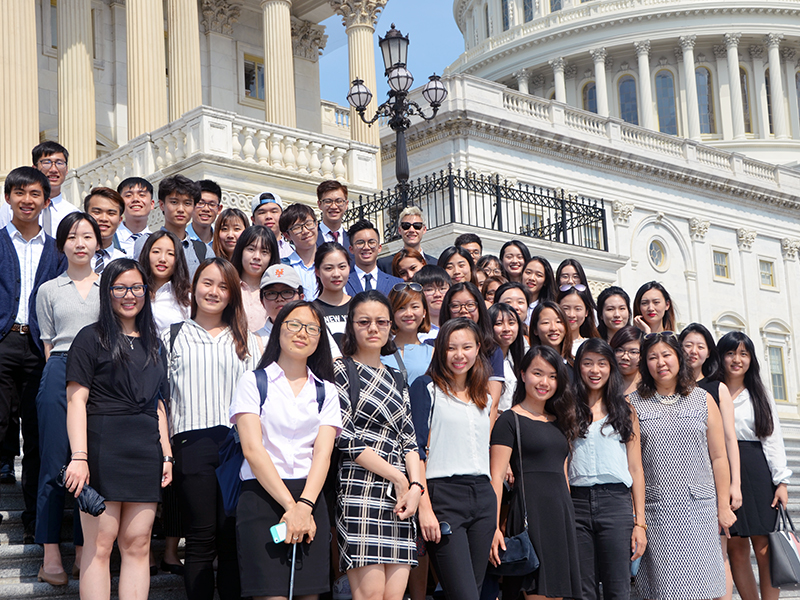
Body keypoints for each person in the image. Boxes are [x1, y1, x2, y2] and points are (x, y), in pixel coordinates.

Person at [64, 258, 172, 600]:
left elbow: (158, 403)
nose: (130, 295)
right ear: (106, 292)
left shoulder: (156, 343)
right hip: (102, 446)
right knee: (100, 545)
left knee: (138, 544)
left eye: (137, 287)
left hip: (146, 449)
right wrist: (79, 457)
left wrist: (167, 454)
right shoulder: (89, 338)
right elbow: (76, 401)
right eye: (120, 287)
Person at [164, 257, 261, 600]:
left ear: (233, 294)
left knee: (232, 535)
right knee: (201, 537)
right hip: (192, 444)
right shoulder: (172, 336)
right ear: (192, 288)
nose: (214, 292)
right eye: (207, 283)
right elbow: (161, 400)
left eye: (223, 286)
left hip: (238, 446)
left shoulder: (249, 340)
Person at [231, 300, 341, 599]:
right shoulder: (253, 382)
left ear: (320, 338)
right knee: (271, 593)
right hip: (262, 496)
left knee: (309, 594)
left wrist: (304, 506)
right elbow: (253, 449)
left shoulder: (326, 390)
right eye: (293, 324)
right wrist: (291, 507)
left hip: (310, 496)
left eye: (311, 328)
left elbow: (323, 454)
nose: (301, 333)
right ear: (279, 329)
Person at [628, 331, 736, 600]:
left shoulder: (702, 399)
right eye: (652, 357)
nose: (660, 362)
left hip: (699, 508)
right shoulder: (633, 404)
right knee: (665, 589)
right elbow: (635, 466)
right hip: (658, 511)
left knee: (704, 586)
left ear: (679, 358)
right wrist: (638, 519)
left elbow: (719, 457)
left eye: (666, 355)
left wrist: (723, 505)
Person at [335, 291, 424, 600]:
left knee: (395, 595)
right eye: (364, 321)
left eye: (381, 322)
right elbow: (345, 438)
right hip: (360, 490)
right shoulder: (340, 372)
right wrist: (399, 479)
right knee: (371, 596)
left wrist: (415, 487)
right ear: (352, 326)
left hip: (400, 499)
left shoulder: (397, 378)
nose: (373, 328)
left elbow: (409, 439)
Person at [34, 212, 102, 585]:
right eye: (72, 236)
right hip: (59, 368)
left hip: (100, 374)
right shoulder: (48, 290)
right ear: (61, 244)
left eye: (87, 236)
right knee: (53, 460)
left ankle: (82, 550)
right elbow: (48, 342)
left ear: (98, 243)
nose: (80, 243)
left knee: (89, 463)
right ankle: (50, 554)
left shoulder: (108, 285)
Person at [0, 167, 66, 544]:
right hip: (3, 340)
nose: (27, 200)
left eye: (35, 194)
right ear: (8, 197)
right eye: (20, 192)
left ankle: (34, 517)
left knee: (38, 435)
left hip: (42, 348)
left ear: (45, 201)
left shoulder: (56, 250)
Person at [409, 319, 496, 600]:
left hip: (483, 498)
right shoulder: (426, 388)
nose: (460, 355)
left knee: (474, 591)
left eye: (467, 347)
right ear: (440, 351)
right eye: (451, 348)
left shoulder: (485, 396)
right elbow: (416, 450)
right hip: (443, 495)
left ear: (478, 348)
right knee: (464, 595)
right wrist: (425, 509)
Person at [489, 345, 582, 600]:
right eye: (538, 373)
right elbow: (496, 477)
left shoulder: (560, 420)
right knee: (535, 592)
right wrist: (494, 527)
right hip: (530, 513)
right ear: (522, 374)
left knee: (557, 592)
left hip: (560, 515)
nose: (545, 382)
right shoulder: (509, 420)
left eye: (553, 376)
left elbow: (563, 475)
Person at [570, 338, 647, 600]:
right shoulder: (568, 410)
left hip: (616, 503)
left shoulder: (625, 411)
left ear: (611, 368)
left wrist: (640, 523)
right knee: (583, 590)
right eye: (588, 363)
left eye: (602, 364)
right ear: (578, 367)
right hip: (576, 504)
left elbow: (636, 469)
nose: (595, 370)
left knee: (618, 588)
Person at [717, 332, 791, 600]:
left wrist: (781, 481)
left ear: (751, 359)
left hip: (757, 469)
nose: (737, 360)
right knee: (736, 547)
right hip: (724, 468)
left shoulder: (759, 394)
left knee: (764, 546)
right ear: (721, 356)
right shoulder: (712, 390)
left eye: (743, 354)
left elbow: (773, 438)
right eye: (730, 353)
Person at [680, 323, 742, 600]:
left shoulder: (717, 389)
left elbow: (730, 440)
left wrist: (734, 485)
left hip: (713, 480)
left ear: (708, 353)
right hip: (682, 481)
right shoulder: (671, 389)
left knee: (718, 554)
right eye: (688, 345)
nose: (693, 351)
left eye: (700, 346)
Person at [439, 283, 503, 414]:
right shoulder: (434, 346)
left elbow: (492, 404)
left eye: (470, 305)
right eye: (456, 306)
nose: (463, 310)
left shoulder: (492, 350)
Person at [134, 175, 207, 278]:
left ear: (194, 207)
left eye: (187, 203)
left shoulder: (204, 251)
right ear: (162, 205)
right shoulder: (145, 243)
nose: (181, 209)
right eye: (174, 202)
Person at [0, 142, 79, 235]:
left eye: (59, 163)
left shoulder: (72, 213)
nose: (53, 169)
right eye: (46, 162)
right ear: (35, 168)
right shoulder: (11, 208)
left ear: (66, 170)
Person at [139, 230, 192, 333]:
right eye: (156, 252)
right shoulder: (134, 293)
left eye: (170, 254)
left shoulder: (187, 299)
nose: (162, 259)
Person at [382, 282, 433, 385]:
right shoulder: (380, 351)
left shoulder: (433, 354)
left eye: (414, 307)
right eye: (401, 308)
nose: (409, 313)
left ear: (424, 312)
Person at [231, 225, 279, 332]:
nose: (257, 256)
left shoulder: (276, 294)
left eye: (264, 252)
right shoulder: (227, 286)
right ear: (240, 251)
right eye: (251, 249)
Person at [346, 219, 403, 297]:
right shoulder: (343, 283)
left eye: (371, 242)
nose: (366, 247)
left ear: (379, 247)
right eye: (360, 243)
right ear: (351, 249)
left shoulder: (396, 284)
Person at [488, 302, 525, 414]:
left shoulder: (516, 359)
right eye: (499, 323)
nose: (506, 329)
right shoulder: (487, 359)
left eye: (511, 323)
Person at [314, 242, 352, 350]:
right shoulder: (311, 310)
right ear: (317, 271)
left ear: (349, 268)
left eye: (342, 267)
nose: (336, 274)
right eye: (329, 268)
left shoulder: (359, 306)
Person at [377, 207, 437, 273]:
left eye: (417, 226)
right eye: (406, 226)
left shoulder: (436, 264)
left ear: (424, 230)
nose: (411, 230)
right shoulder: (385, 265)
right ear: (400, 230)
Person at [281, 203, 321, 301]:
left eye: (309, 224)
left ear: (316, 224)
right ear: (287, 235)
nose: (306, 231)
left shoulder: (330, 263)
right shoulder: (283, 267)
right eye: (297, 228)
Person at [84, 188, 128, 273]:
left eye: (111, 213)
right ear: (86, 216)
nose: (104, 219)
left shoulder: (125, 262)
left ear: (120, 220)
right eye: (97, 212)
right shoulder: (71, 258)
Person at [116, 177, 155, 256]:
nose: (135, 199)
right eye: (128, 195)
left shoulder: (157, 242)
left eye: (142, 195)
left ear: (152, 204)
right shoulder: (110, 240)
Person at [528, 300, 574, 367]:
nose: (553, 328)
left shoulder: (575, 365)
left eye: (558, 321)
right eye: (546, 322)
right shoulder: (530, 364)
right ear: (535, 329)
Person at [558, 284, 599, 356]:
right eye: (566, 308)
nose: (571, 315)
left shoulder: (593, 346)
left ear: (586, 312)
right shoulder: (550, 343)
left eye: (578, 309)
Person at [413, 266, 451, 342]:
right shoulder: (413, 333)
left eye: (442, 289)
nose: (437, 294)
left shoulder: (460, 325)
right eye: (429, 290)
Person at [251, 191, 293, 260]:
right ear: (253, 220)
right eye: (262, 212)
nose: (269, 216)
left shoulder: (292, 250)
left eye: (274, 211)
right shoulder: (247, 250)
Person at [186, 180, 222, 252]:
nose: (206, 209)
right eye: (200, 203)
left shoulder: (222, 242)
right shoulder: (181, 239)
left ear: (219, 209)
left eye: (212, 204)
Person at [610, 326, 643, 396]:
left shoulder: (651, 387)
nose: (625, 357)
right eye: (620, 350)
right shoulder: (605, 387)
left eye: (633, 352)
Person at [316, 180, 350, 248]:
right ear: (319, 205)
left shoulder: (352, 241)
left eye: (339, 201)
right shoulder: (310, 239)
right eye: (328, 201)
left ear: (346, 204)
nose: (334, 206)